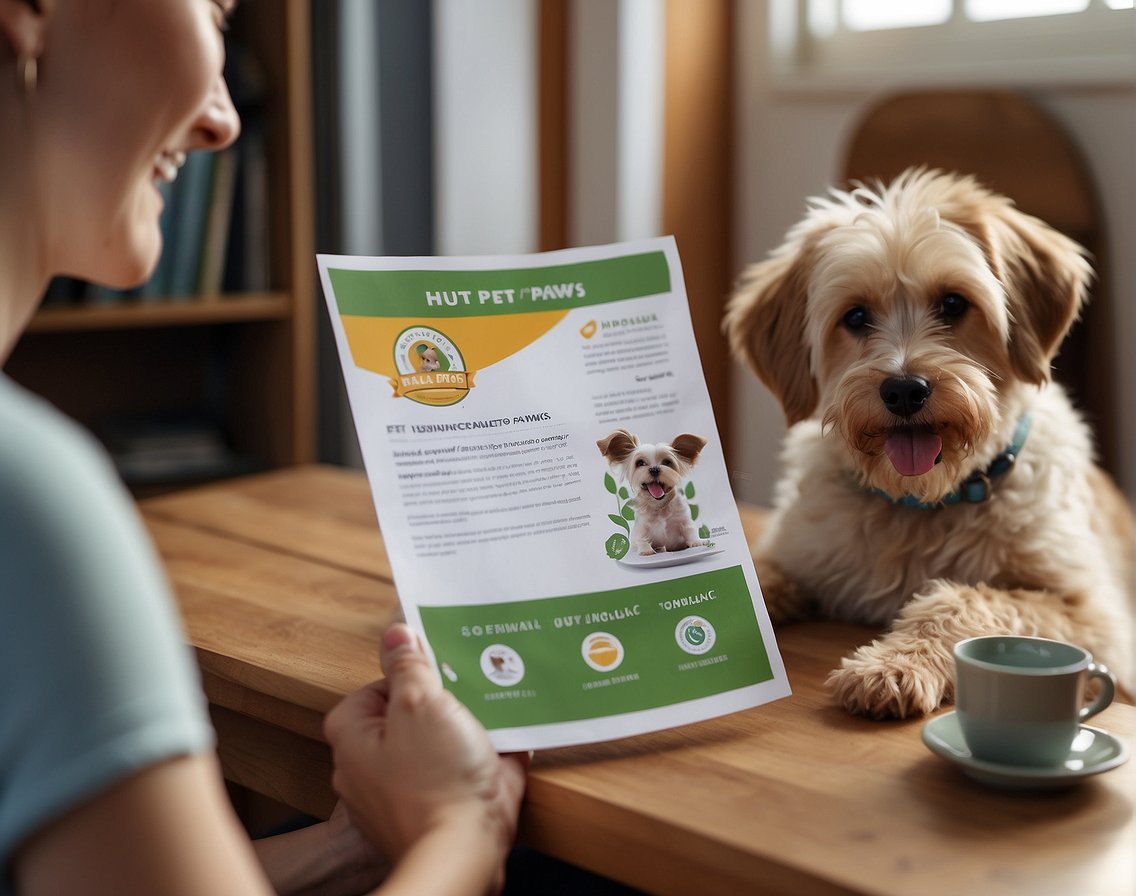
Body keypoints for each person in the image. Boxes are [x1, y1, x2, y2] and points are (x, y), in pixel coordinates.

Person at [0, 2, 526, 895]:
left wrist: (356, 844)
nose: (222, 118)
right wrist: (459, 829)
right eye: (210, 7)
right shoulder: (32, 508)